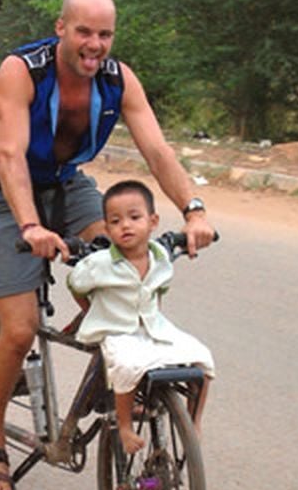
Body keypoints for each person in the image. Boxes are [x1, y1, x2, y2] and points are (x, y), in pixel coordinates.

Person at [0, 0, 215, 490]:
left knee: (124, 256)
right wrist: (31, 227)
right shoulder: (23, 70)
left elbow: (157, 149)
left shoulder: (119, 80)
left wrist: (194, 209)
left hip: (66, 183)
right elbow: (10, 156)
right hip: (4, 192)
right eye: (84, 31)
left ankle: (112, 367)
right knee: (20, 326)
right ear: (61, 29)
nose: (94, 44)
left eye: (104, 34)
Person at [67, 180, 215, 453]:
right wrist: (92, 312)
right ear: (107, 229)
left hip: (154, 327)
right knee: (127, 366)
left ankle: (194, 424)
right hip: (117, 331)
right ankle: (125, 427)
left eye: (134, 218)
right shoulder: (98, 263)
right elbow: (76, 285)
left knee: (202, 361)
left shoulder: (160, 256)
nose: (125, 226)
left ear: (152, 221)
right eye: (115, 221)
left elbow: (160, 288)